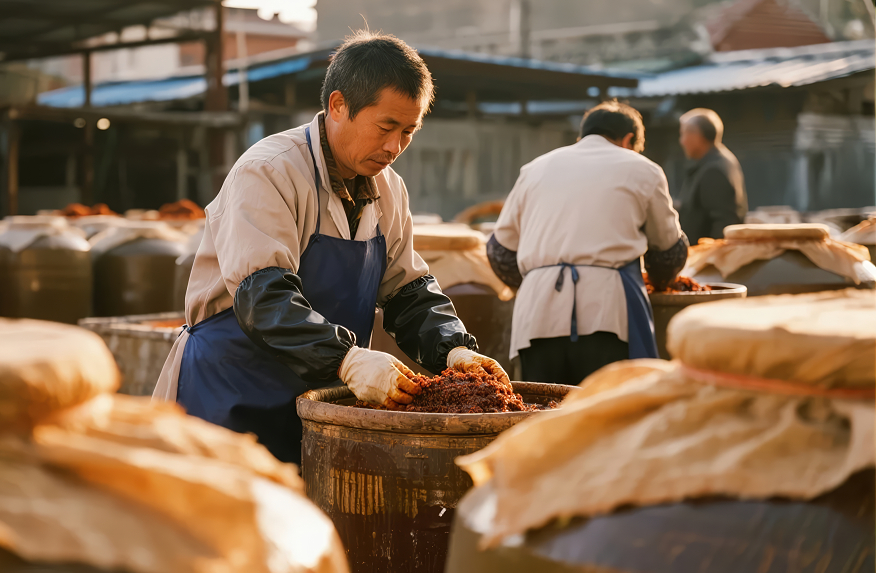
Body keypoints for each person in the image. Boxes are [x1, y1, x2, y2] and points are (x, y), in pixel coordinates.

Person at [153, 31, 508, 464]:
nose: (394, 147)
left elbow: (407, 292)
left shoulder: (388, 189)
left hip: (319, 401)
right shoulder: (269, 172)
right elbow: (264, 299)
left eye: (408, 131)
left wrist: (453, 348)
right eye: (385, 127)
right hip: (233, 392)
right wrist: (348, 360)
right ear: (338, 105)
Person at [487, 100, 688, 386]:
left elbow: (499, 250)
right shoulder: (643, 168)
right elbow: (669, 249)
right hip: (607, 314)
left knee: (543, 417)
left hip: (536, 316)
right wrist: (658, 280)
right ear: (630, 140)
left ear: (581, 136)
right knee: (606, 416)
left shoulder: (535, 168)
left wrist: (537, 281)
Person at [676, 108, 747, 244]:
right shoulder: (711, 162)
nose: (682, 141)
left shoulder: (715, 169)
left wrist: (710, 257)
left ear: (698, 136)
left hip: (710, 258)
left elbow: (723, 222)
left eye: (683, 134)